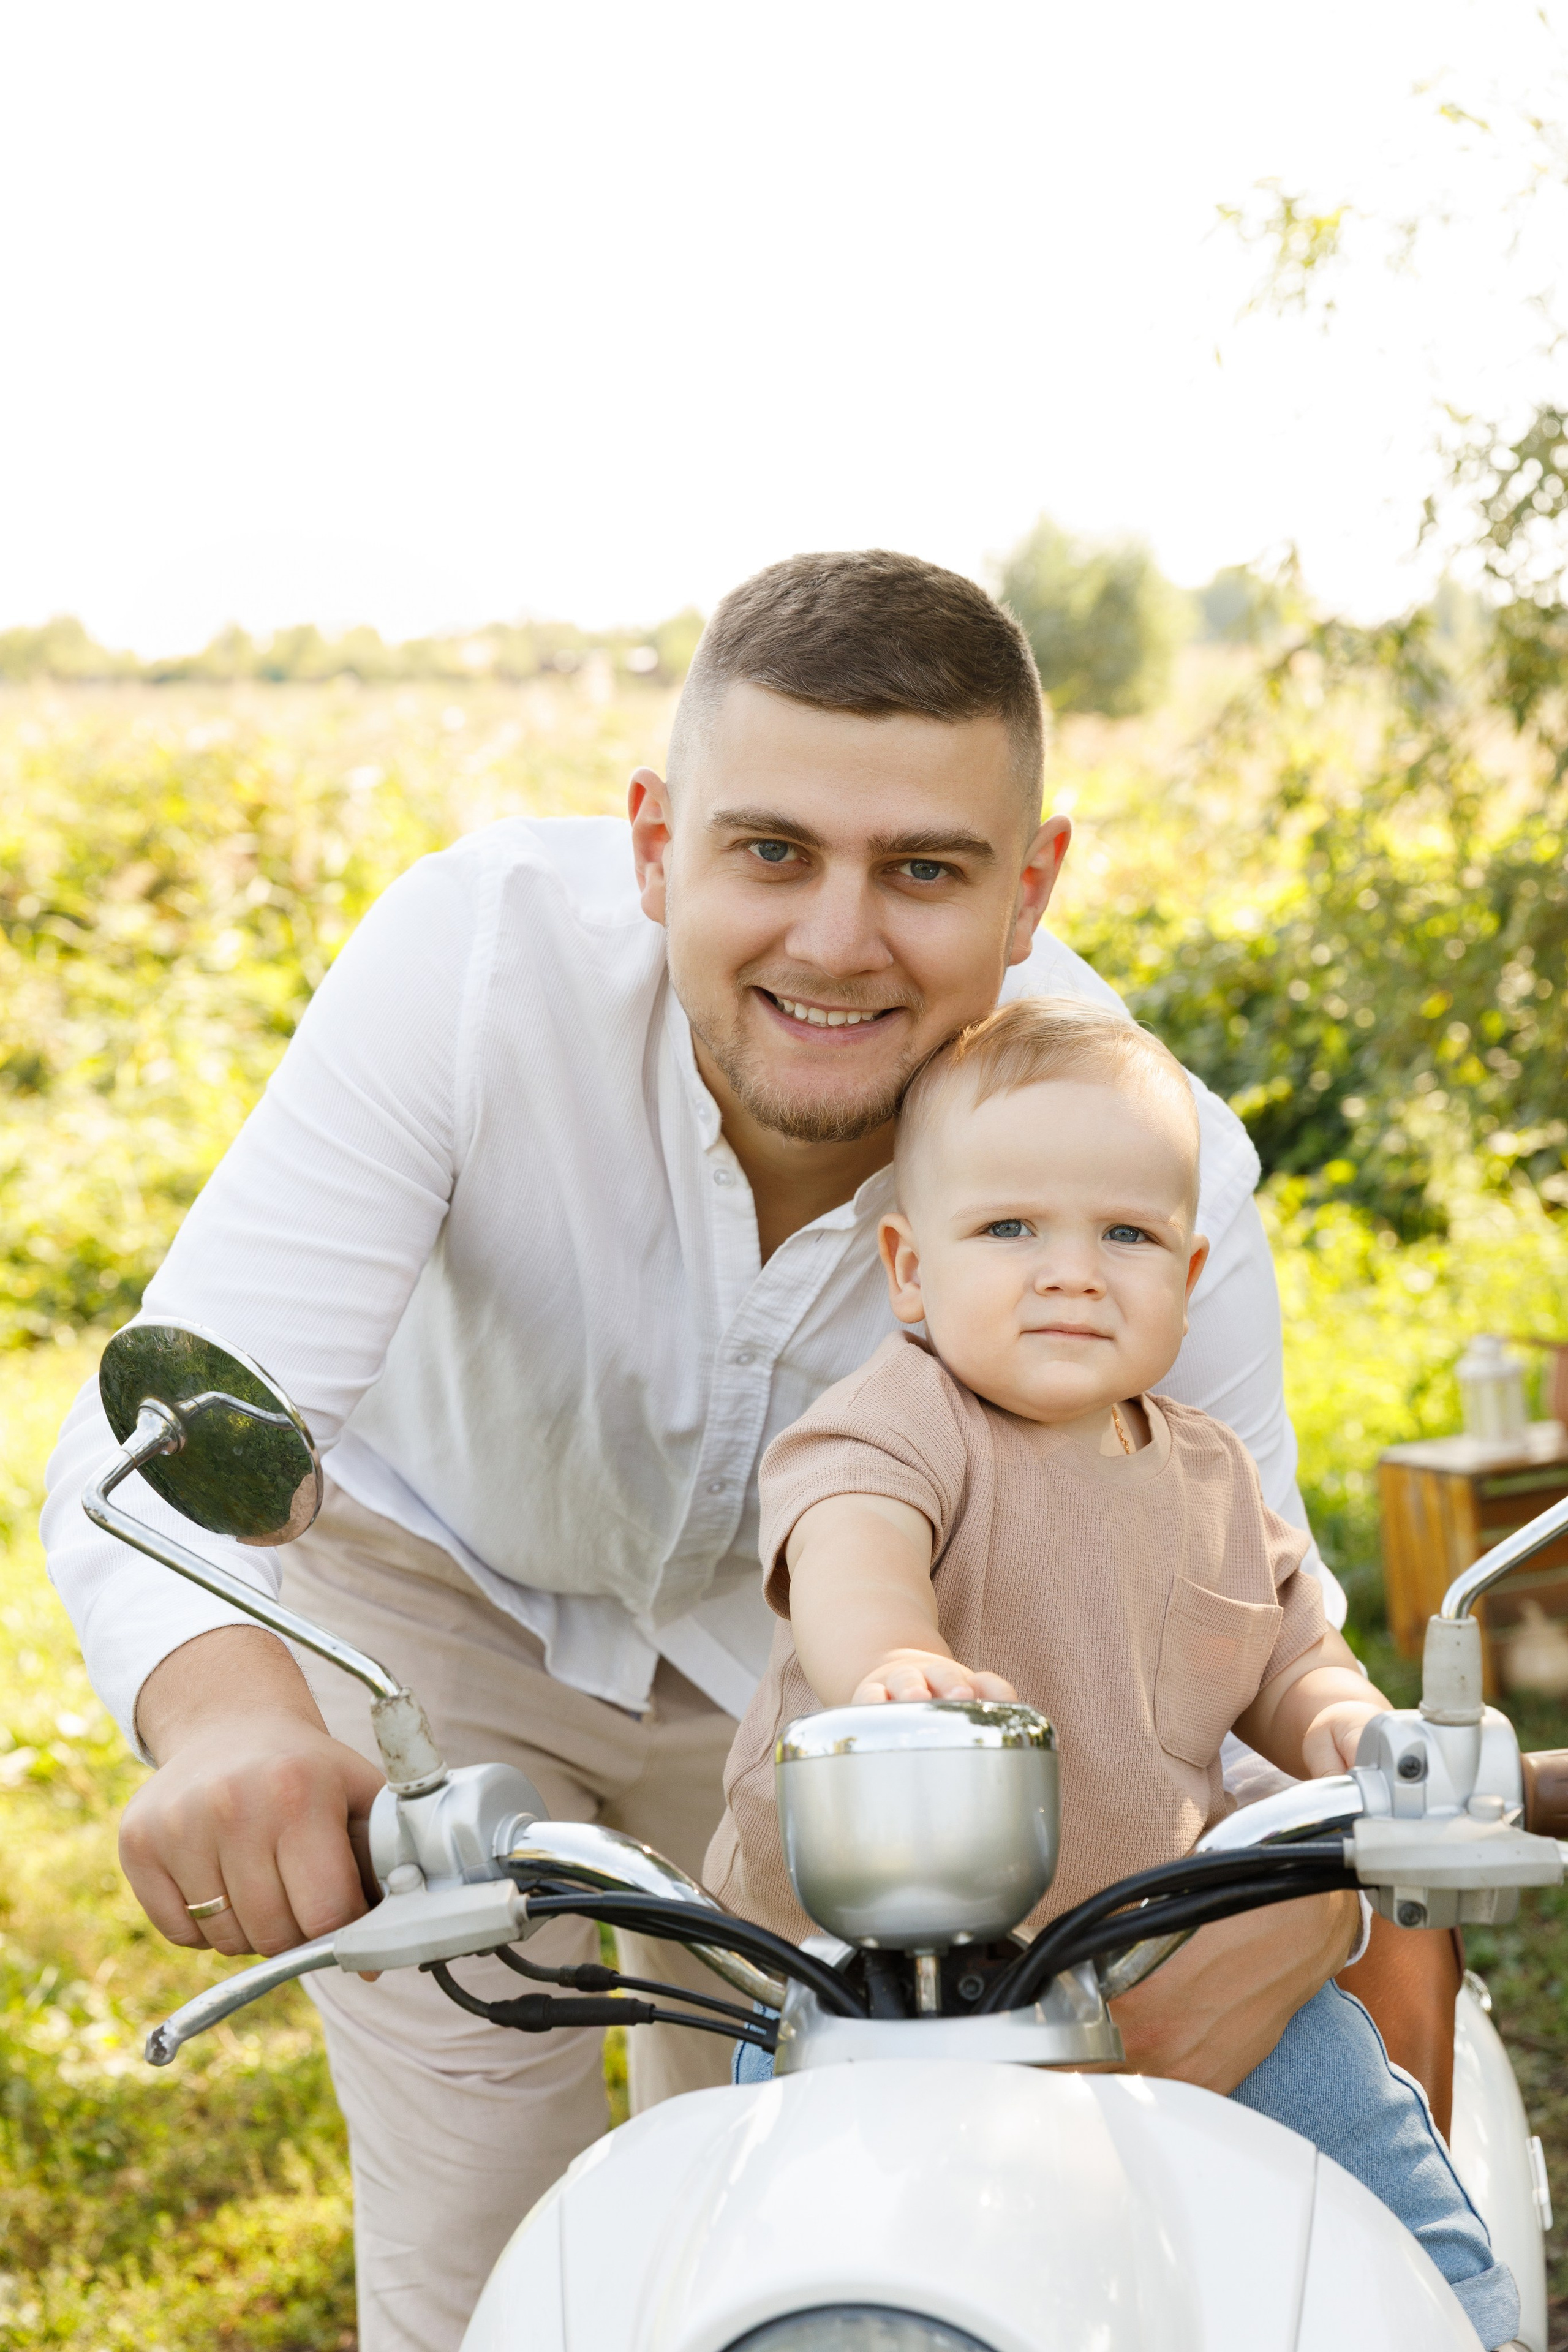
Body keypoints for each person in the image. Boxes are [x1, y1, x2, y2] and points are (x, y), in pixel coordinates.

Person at [44, 549, 1363, 2352]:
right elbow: (154, 1428)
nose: (836, 938)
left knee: (797, 2220)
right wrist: (230, 1713)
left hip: (838, 1709)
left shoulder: (1143, 1164)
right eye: (770, 852)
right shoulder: (472, 957)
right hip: (431, 1633)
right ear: (656, 840)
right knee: (483, 2259)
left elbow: (1247, 1614)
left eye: (923, 870)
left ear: (1032, 889)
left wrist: (1298, 1878)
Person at [708, 995, 1518, 2350]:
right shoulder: (894, 1424)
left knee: (1386, 2229)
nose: (1071, 1271)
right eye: (1010, 1229)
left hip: (1161, 1956)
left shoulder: (1205, 1470)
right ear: (910, 1270)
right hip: (874, 1990)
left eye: (1124, 1235)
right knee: (821, 2275)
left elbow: (1286, 1652)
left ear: (1186, 1275)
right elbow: (852, 1562)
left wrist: (1347, 1730)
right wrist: (896, 1660)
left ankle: (1468, 2328)